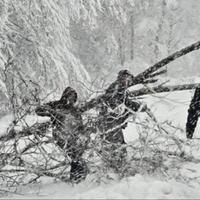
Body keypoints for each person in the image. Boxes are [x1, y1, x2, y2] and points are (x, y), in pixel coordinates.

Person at [96, 69, 147, 172]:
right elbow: (120, 104)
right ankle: (118, 169)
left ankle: (113, 168)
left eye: (128, 78)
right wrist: (137, 107)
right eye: (126, 78)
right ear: (121, 78)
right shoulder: (116, 88)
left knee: (114, 147)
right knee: (118, 147)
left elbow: (124, 103)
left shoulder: (120, 88)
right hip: (109, 123)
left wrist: (133, 108)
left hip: (111, 124)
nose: (127, 80)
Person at [35, 87, 88, 183]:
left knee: (77, 156)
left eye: (73, 97)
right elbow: (38, 110)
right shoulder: (56, 105)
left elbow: (80, 126)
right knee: (75, 156)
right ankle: (76, 180)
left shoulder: (74, 110)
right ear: (65, 96)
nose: (71, 99)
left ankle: (78, 179)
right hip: (60, 136)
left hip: (73, 137)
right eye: (69, 96)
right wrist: (52, 112)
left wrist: (83, 136)